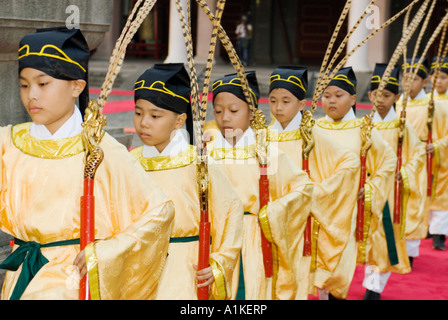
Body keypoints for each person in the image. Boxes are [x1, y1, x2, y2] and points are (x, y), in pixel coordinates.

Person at [0, 27, 174, 300]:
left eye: (42, 83)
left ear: (76, 86)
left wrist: (105, 252)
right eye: (24, 84)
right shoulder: (8, 142)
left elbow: (159, 211)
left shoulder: (99, 149)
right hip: (21, 273)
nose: (31, 94)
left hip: (72, 278)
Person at [130, 63, 244, 300]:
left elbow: (230, 210)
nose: (144, 122)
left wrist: (219, 262)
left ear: (180, 119)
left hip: (185, 267)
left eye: (155, 115)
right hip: (137, 266)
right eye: (138, 113)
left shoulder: (199, 162)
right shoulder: (129, 162)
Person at [206, 71, 314, 300]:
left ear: (252, 113)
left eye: (234, 111)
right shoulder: (206, 155)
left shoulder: (266, 153)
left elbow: (303, 187)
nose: (225, 118)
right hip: (216, 239)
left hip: (252, 238)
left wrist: (272, 213)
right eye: (218, 110)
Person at [267, 66, 360, 299]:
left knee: (297, 279)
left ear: (301, 105)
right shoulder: (263, 136)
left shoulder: (313, 132)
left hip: (303, 219)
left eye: (286, 101)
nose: (278, 108)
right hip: (272, 217)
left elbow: (349, 162)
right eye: (273, 100)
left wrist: (317, 194)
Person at [312, 67, 396, 300]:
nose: (331, 101)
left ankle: (355, 290)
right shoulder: (315, 127)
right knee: (322, 256)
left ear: (352, 98)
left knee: (346, 255)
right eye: (326, 96)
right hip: (322, 204)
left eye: (338, 96)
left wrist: (370, 188)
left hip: (350, 204)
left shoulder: (364, 129)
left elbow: (388, 160)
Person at [363, 63, 426, 299]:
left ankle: (374, 286)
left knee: (382, 237)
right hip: (366, 190)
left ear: (397, 97)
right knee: (366, 239)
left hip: (390, 191)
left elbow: (418, 153)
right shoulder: (363, 126)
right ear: (369, 95)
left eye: (387, 95)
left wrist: (405, 172)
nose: (381, 100)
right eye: (377, 95)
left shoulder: (402, 127)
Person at [396, 58, 448, 252]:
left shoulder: (434, 106)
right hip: (405, 161)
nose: (408, 83)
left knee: (426, 197)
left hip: (428, 159)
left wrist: (436, 145)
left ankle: (435, 234)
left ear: (424, 82)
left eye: (414, 79)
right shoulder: (398, 103)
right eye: (405, 79)